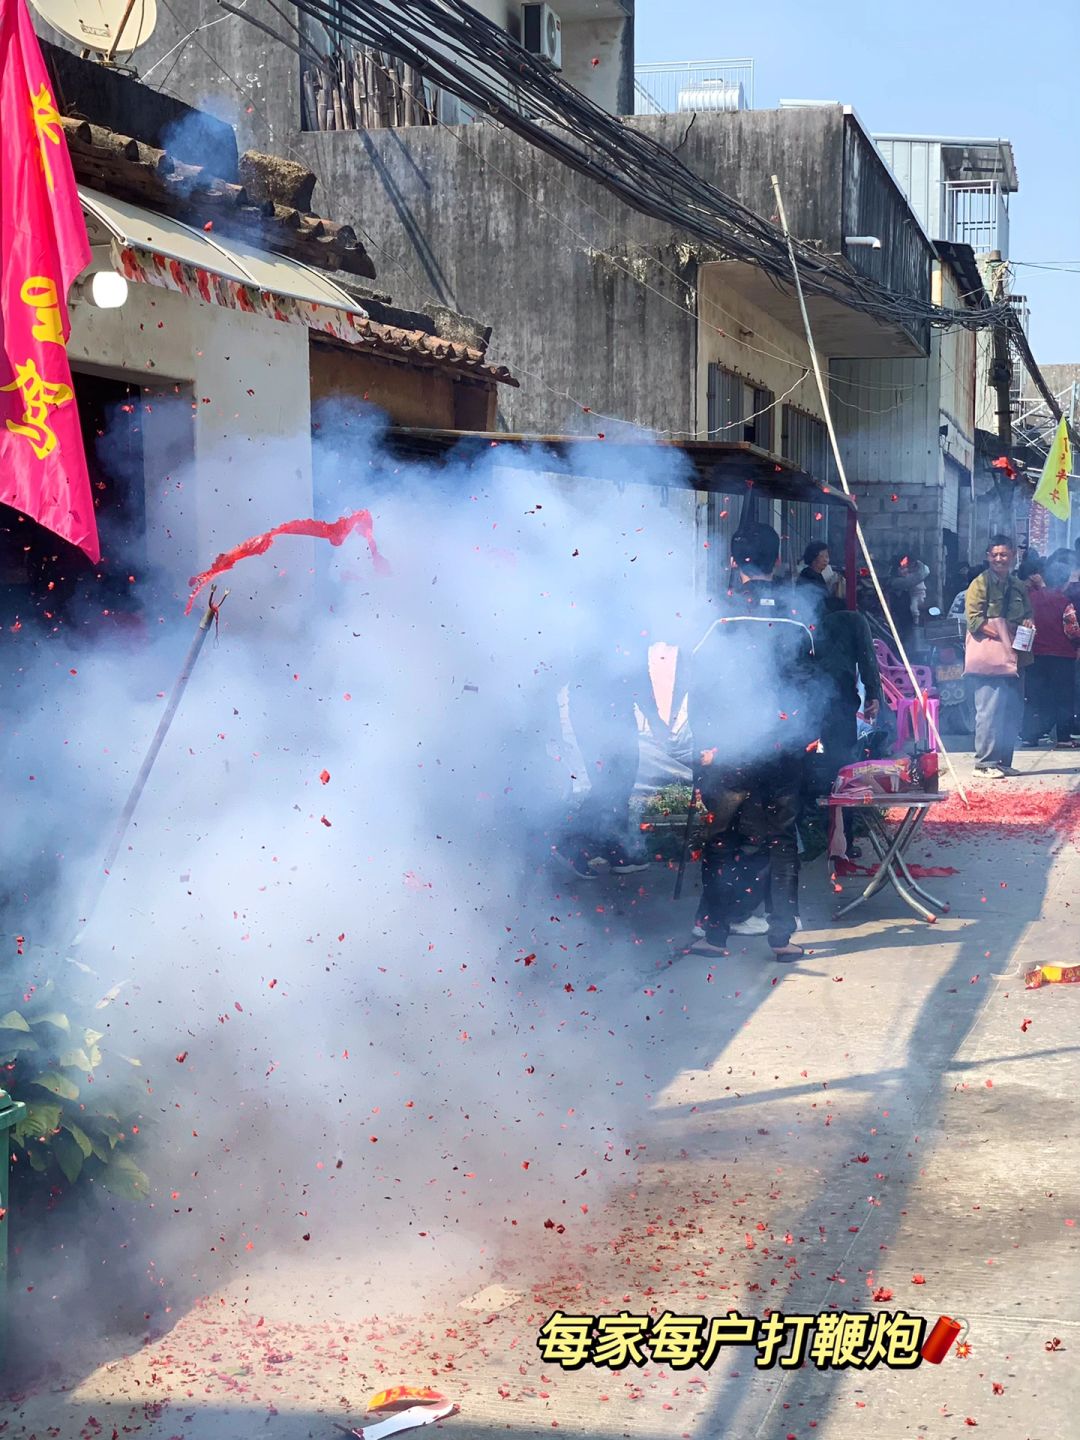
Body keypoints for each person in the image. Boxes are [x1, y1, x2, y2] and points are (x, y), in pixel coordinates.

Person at [686, 521, 819, 962]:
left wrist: (705, 741)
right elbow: (809, 683)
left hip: (730, 745)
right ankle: (782, 939)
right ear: (777, 560)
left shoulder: (718, 613)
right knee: (781, 839)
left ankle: (714, 936)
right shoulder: (797, 614)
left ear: (732, 561)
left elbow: (698, 683)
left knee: (721, 839)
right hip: (783, 747)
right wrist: (805, 736)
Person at [811, 593, 884, 864]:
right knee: (842, 772)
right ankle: (842, 841)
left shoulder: (801, 620)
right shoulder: (853, 619)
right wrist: (873, 693)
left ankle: (797, 836)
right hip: (838, 705)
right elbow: (867, 658)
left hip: (801, 704)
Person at [964, 535, 1033, 778]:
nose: (999, 559)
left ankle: (1003, 761)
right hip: (991, 659)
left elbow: (1028, 613)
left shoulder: (1018, 585)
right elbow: (974, 621)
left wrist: (1027, 623)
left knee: (1012, 711)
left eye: (1004, 554)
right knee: (989, 711)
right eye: (995, 555)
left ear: (1013, 556)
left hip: (1016, 659)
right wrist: (1003, 635)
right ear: (988, 557)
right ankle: (984, 763)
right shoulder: (979, 584)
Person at [1021, 557, 1079, 748]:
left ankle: (1029, 735)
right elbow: (1072, 630)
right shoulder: (1064, 602)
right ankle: (1063, 738)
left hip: (1035, 655)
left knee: (1034, 696)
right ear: (1064, 582)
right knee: (1063, 697)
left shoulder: (1031, 598)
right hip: (1062, 657)